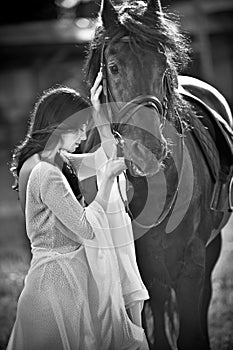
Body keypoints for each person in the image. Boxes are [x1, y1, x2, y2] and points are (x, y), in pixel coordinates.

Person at [7, 84, 149, 350]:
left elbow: (103, 157)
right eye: (81, 126)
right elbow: (86, 228)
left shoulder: (55, 160)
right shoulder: (43, 171)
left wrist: (98, 111)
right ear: (60, 124)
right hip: (55, 286)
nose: (85, 135)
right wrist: (106, 182)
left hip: (69, 278)